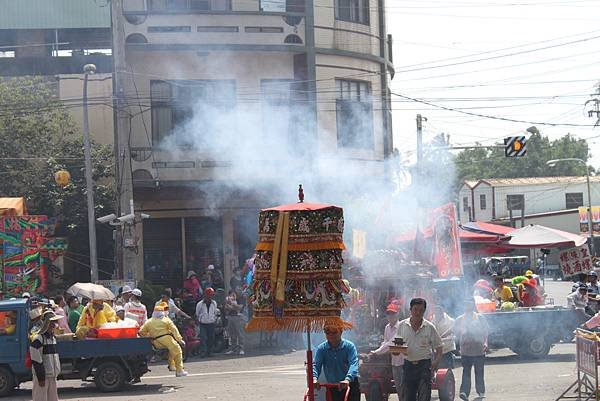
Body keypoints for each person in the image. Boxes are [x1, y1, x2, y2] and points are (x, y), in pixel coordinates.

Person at [397, 297, 443, 401]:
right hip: (408, 365)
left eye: (421, 310)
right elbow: (397, 348)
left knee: (424, 396)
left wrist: (436, 363)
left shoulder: (429, 327)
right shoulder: (402, 326)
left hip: (424, 366)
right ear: (410, 309)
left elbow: (439, 348)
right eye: (415, 309)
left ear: (424, 311)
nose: (418, 313)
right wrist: (398, 351)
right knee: (408, 397)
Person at [313, 323, 360, 401]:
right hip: (333, 386)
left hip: (350, 384)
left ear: (341, 331)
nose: (331, 335)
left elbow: (353, 364)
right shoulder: (321, 349)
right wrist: (314, 379)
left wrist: (347, 379)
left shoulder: (349, 346)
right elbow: (316, 365)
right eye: (328, 332)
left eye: (334, 331)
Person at [139, 303, 188, 377]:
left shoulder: (148, 321)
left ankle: (172, 365)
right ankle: (179, 370)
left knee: (172, 350)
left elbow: (141, 332)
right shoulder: (166, 320)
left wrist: (149, 337)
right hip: (166, 339)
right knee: (177, 350)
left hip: (155, 342)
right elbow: (174, 330)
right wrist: (180, 340)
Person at [455, 299, 489, 401]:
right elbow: (456, 334)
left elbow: (486, 332)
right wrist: (458, 346)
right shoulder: (460, 319)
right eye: (466, 305)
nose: (468, 308)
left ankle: (480, 391)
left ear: (473, 306)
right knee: (466, 373)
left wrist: (486, 342)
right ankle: (464, 393)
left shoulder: (480, 318)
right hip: (466, 351)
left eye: (469, 305)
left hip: (479, 350)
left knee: (479, 372)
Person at [370, 303, 404, 401]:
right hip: (394, 362)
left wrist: (376, 352)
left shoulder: (401, 327)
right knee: (398, 387)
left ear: (397, 314)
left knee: (404, 387)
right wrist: (377, 350)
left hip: (404, 362)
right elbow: (385, 342)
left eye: (392, 313)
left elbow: (392, 343)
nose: (390, 316)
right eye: (388, 313)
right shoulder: (387, 327)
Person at [30, 310, 62, 401]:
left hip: (52, 376)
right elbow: (36, 360)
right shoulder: (38, 339)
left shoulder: (53, 338)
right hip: (43, 377)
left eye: (55, 322)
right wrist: (41, 378)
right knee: (40, 399)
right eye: (52, 322)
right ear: (46, 323)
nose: (54, 325)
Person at [196, 287, 218, 357]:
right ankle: (203, 352)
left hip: (211, 323)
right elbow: (197, 313)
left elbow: (215, 312)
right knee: (203, 338)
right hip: (203, 323)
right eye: (210, 295)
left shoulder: (214, 303)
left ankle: (210, 352)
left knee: (211, 338)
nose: (211, 296)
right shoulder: (200, 304)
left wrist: (213, 319)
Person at [432, 304, 456, 369]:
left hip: (446, 350)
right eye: (436, 310)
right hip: (435, 350)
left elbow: (452, 336)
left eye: (439, 310)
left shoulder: (451, 321)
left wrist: (442, 339)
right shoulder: (432, 320)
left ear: (443, 310)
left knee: (446, 371)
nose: (437, 312)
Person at [224, 289, 245, 355]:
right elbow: (226, 308)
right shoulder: (227, 301)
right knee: (232, 334)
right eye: (230, 295)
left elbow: (240, 308)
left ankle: (241, 348)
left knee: (240, 334)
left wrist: (233, 306)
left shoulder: (240, 299)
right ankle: (233, 348)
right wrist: (233, 307)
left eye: (233, 295)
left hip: (238, 317)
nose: (232, 296)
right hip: (230, 317)